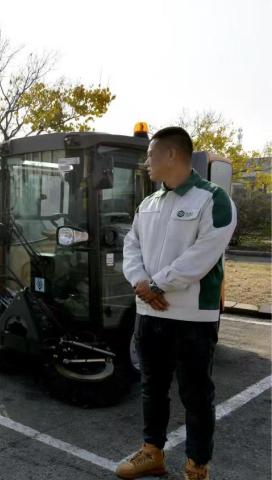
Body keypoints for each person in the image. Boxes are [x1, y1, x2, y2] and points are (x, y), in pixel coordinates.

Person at [118, 127, 236, 480]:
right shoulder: (148, 203)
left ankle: (197, 466)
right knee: (152, 386)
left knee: (196, 393)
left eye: (150, 155)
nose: (146, 162)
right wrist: (140, 282)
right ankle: (152, 452)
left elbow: (202, 256)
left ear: (172, 155)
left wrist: (156, 284)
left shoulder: (213, 199)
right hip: (149, 312)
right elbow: (131, 245)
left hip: (193, 318)